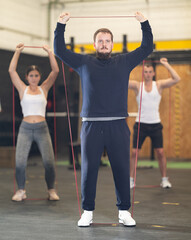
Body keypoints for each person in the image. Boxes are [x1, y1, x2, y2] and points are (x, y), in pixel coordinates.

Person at [54, 11, 153, 227]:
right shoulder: (83, 62)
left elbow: (147, 48)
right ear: (94, 44)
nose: (104, 44)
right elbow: (59, 50)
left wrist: (144, 23)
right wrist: (61, 24)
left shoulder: (124, 61)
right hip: (91, 125)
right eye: (100, 41)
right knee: (89, 171)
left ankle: (124, 211)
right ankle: (87, 212)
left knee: (121, 168)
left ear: (113, 45)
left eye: (107, 41)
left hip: (118, 124)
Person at [8, 43, 60, 201]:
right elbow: (11, 70)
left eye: (36, 75)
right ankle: (21, 191)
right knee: (20, 162)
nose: (34, 78)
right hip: (25, 129)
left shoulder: (44, 88)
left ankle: (51, 190)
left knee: (49, 162)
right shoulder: (22, 89)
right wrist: (17, 51)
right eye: (31, 75)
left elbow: (55, 71)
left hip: (42, 129)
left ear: (39, 77)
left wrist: (50, 52)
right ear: (26, 77)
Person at [129, 58, 181, 189]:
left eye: (149, 72)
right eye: (145, 71)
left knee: (160, 152)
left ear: (153, 73)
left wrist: (166, 64)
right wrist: (128, 63)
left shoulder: (159, 85)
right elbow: (119, 81)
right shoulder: (137, 85)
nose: (147, 74)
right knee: (134, 153)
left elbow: (176, 79)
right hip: (140, 124)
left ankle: (164, 179)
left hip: (155, 124)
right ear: (143, 73)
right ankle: (130, 180)